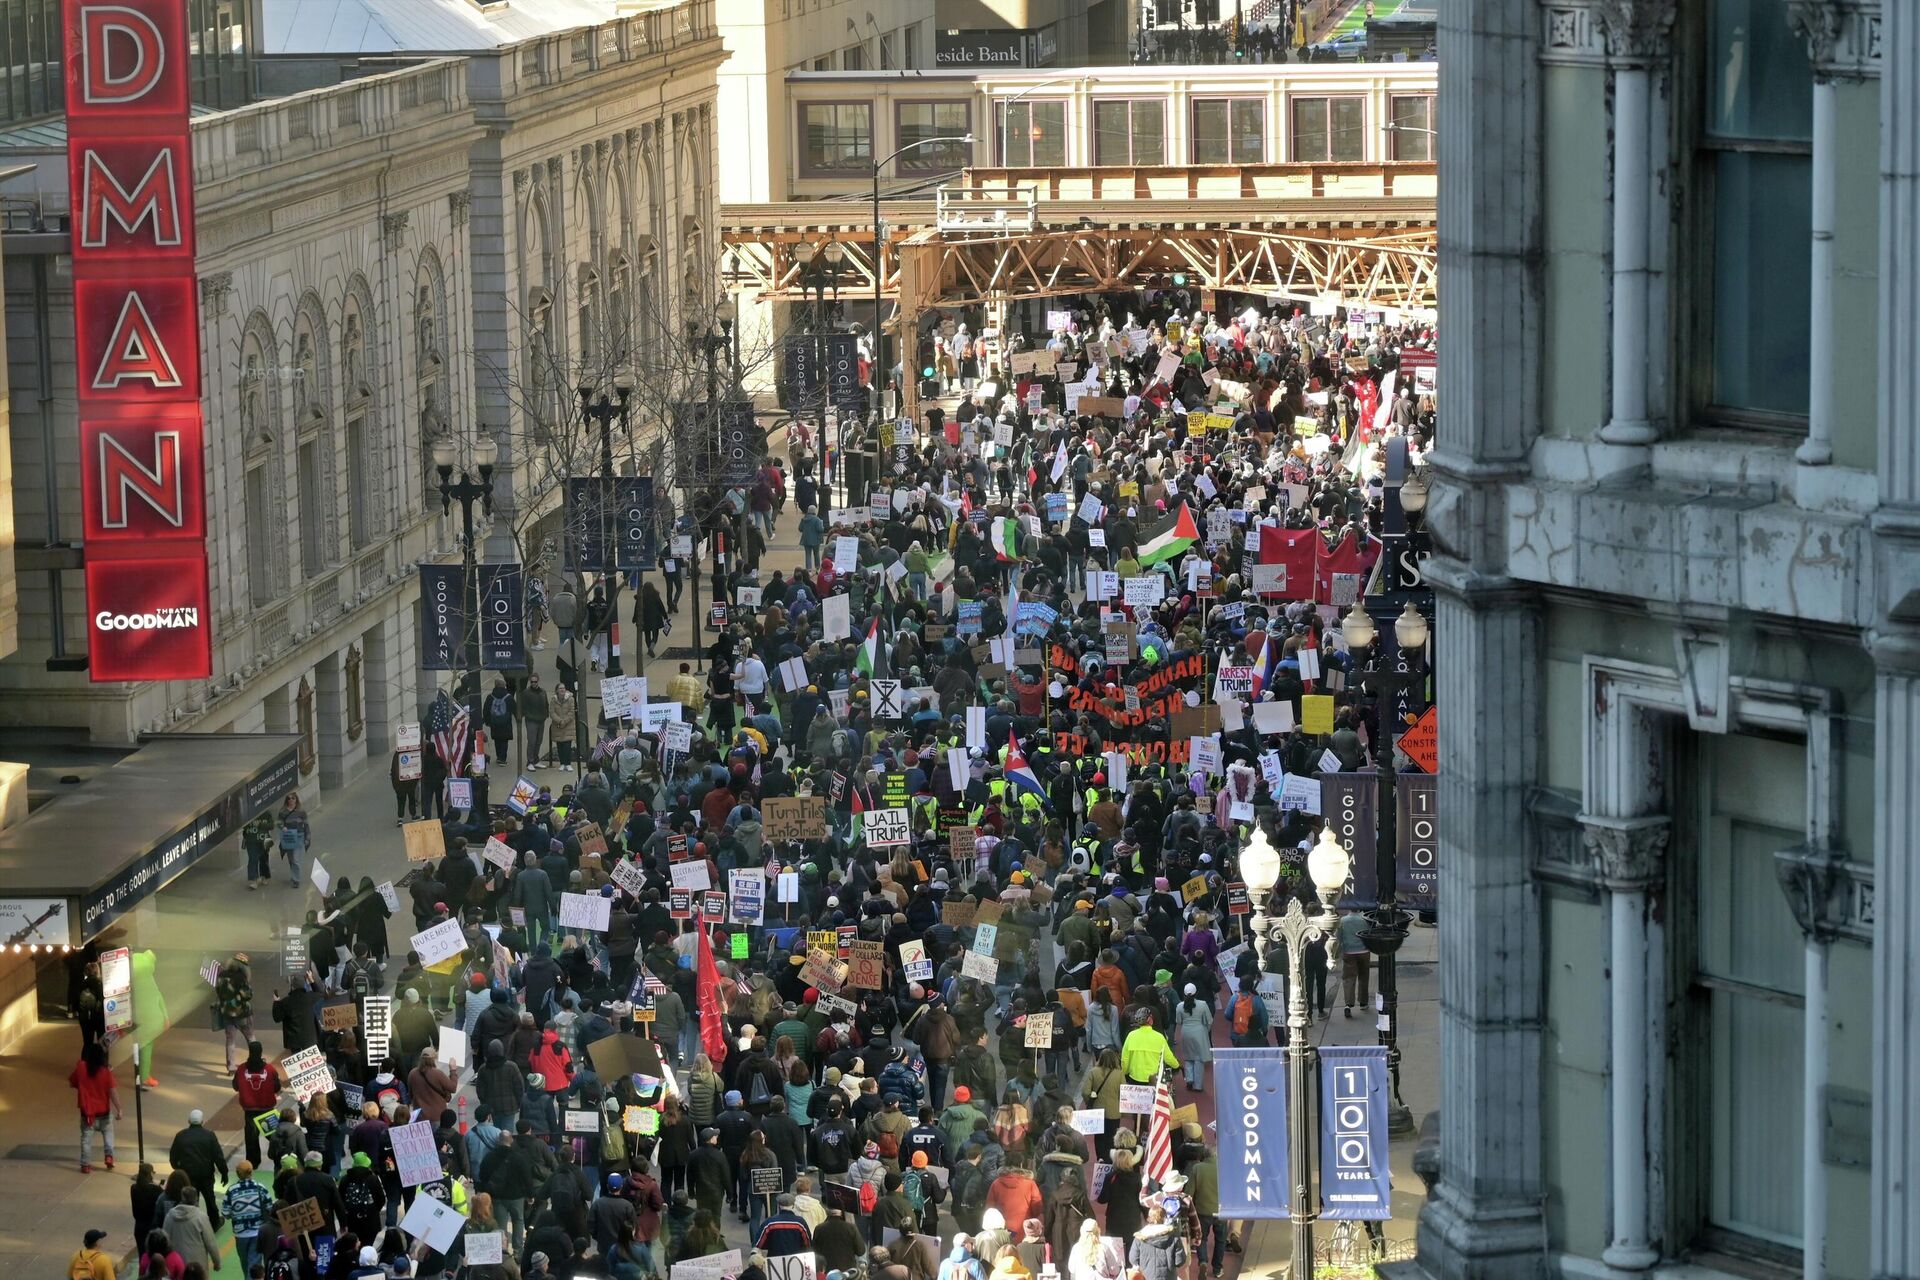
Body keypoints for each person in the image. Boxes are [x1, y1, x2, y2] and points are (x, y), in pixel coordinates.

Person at [167, 1110, 226, 1231]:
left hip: (188, 1176)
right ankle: (214, 1222)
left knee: (191, 1200)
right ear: (202, 1121)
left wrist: (178, 1169)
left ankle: (192, 1223)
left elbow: (173, 1156)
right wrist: (224, 1172)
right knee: (210, 1199)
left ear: (189, 1121)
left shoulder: (181, 1136)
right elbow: (218, 1155)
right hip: (206, 1175)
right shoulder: (209, 1135)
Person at [69, 1040, 122, 1173]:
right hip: (104, 1112)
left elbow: (72, 1082)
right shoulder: (106, 1073)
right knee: (108, 1133)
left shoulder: (81, 1068)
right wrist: (119, 1109)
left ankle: (85, 1164)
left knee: (86, 1139)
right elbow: (113, 1092)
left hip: (87, 1114)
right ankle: (109, 1156)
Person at [224, 1161, 274, 1278]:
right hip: (257, 1231)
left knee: (244, 1262)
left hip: (240, 1234)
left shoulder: (231, 1190)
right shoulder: (260, 1187)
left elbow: (225, 1213)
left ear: (237, 1173)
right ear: (251, 1172)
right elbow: (270, 1207)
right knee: (254, 1263)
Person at [1337, 907, 1371, 1017]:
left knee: (1348, 978)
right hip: (1364, 951)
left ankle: (1348, 1004)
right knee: (1363, 976)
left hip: (1349, 952)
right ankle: (1363, 1002)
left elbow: (1339, 938)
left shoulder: (1343, 921)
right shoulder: (1365, 920)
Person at [277, 793, 310, 888]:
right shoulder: (283, 811)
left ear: (296, 799)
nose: (291, 800)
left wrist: (307, 838)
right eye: (289, 798)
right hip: (288, 836)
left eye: (293, 798)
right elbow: (279, 822)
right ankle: (294, 875)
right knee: (291, 859)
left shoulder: (301, 811)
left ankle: (296, 880)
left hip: (299, 836)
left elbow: (306, 825)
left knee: (295, 859)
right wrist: (282, 827)